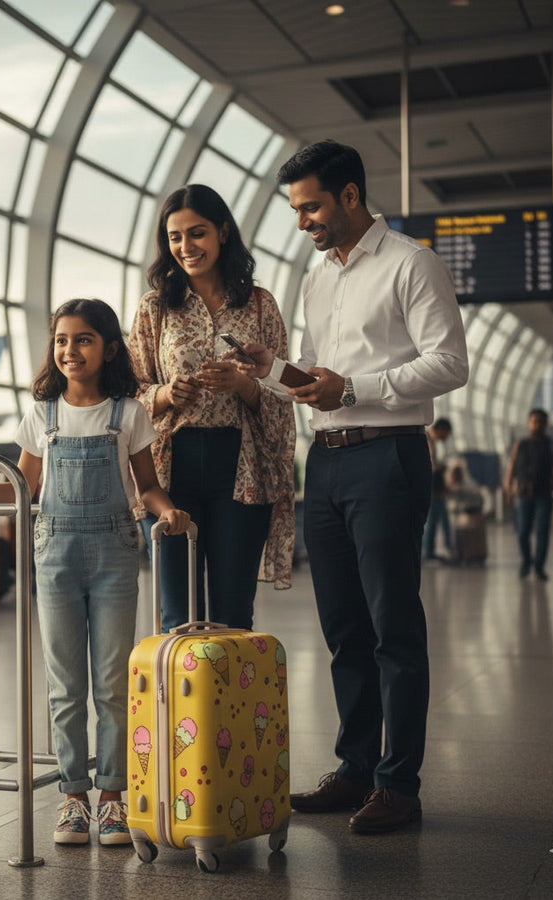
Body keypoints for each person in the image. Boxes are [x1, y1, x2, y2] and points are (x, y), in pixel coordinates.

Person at [235, 140, 468, 833]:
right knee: (343, 629)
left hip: (388, 456)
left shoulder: (412, 264)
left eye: (309, 206)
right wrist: (271, 369)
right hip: (329, 463)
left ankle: (399, 782)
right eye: (295, 209)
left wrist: (357, 388)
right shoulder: (320, 279)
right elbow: (316, 382)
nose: (301, 220)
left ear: (349, 196)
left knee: (393, 626)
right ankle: (357, 767)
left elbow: (449, 363)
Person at [0, 298, 190, 847]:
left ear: (110, 348)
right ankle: (73, 798)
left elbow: (145, 485)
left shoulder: (129, 412)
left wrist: (165, 510)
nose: (70, 350)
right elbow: (23, 490)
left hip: (116, 552)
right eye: (61, 340)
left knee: (113, 682)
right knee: (66, 685)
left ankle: (114, 798)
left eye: (83, 340)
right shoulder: (42, 414)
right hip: (54, 554)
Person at [128, 183, 295, 632]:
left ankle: (231, 705)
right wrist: (165, 395)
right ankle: (182, 706)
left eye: (196, 233)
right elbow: (130, 394)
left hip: (240, 471)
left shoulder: (261, 305)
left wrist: (244, 386)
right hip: (170, 470)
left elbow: (284, 394)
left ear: (223, 232)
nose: (186, 247)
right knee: (176, 614)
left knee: (233, 615)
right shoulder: (155, 309)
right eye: (175, 237)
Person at [503, 408, 553, 580]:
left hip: (544, 493)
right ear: (528, 423)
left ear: (545, 424)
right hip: (523, 494)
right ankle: (526, 562)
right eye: (533, 421)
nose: (536, 424)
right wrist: (508, 486)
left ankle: (539, 567)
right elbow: (512, 466)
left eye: (540, 421)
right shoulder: (520, 444)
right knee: (523, 531)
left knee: (542, 532)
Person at [423, 417, 453, 562]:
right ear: (442, 430)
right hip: (432, 491)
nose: (446, 437)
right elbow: (430, 467)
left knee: (434, 522)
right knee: (431, 522)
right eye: (446, 434)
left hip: (434, 490)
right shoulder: (427, 439)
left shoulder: (429, 439)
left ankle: (430, 552)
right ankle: (428, 553)